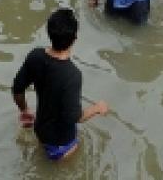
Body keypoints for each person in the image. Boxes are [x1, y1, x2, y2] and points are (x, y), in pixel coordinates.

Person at [11, 9, 109, 162]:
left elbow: (17, 88)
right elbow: (75, 117)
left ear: (49, 32)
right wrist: (97, 108)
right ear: (74, 38)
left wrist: (24, 110)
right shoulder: (72, 75)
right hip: (63, 144)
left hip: (40, 131)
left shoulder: (35, 56)